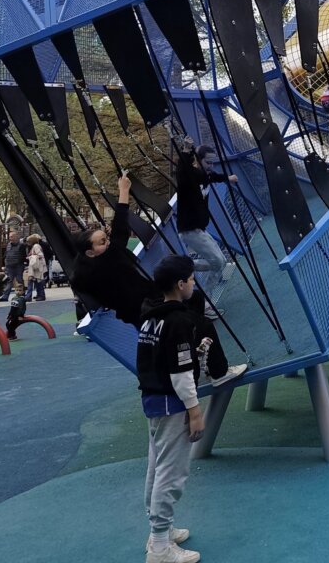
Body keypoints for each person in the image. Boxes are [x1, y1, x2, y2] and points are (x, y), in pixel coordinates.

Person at [136, 255, 207, 563]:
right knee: (172, 472)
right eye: (191, 280)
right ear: (181, 285)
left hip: (153, 399)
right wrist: (194, 411)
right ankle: (161, 547)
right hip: (172, 402)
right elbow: (180, 374)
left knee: (157, 467)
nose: (193, 284)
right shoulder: (178, 321)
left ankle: (158, 534)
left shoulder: (152, 316)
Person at [72, 174, 162, 328]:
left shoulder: (83, 269)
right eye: (102, 242)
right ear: (90, 252)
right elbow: (121, 229)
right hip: (146, 304)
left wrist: (105, 237)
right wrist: (124, 190)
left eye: (106, 238)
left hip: (130, 311)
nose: (108, 243)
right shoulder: (107, 261)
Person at [175, 142, 236, 305]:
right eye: (208, 162)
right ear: (197, 160)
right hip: (189, 229)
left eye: (213, 162)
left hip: (199, 229)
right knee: (217, 262)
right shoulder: (189, 177)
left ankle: (186, 266)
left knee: (221, 262)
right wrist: (186, 151)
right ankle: (205, 299)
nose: (211, 166)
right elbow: (182, 173)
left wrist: (227, 178)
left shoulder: (204, 175)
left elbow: (213, 176)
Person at [0, 230, 26, 301]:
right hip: (9, 266)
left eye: (11, 237)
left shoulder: (21, 245)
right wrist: (4, 264)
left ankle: (21, 295)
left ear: (16, 237)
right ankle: (5, 296)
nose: (10, 238)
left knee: (19, 280)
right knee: (9, 281)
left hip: (18, 265)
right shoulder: (8, 245)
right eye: (9, 237)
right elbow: (6, 255)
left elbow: (23, 256)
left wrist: (20, 262)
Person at [25, 236, 47, 301]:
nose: (27, 243)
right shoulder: (36, 246)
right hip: (37, 267)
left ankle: (30, 296)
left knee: (33, 281)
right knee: (37, 281)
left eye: (28, 241)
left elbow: (40, 255)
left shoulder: (36, 246)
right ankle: (40, 295)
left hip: (36, 267)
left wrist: (31, 257)